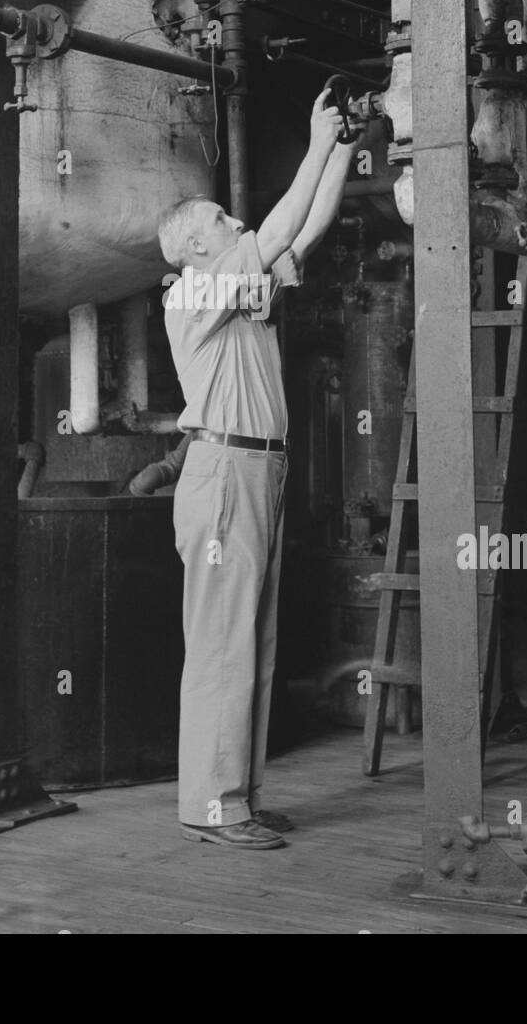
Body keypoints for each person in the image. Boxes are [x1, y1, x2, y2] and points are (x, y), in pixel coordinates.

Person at [157, 82, 358, 850]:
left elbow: (304, 231)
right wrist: (312, 141)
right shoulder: (193, 293)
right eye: (220, 219)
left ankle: (236, 796)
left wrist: (339, 148)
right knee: (221, 644)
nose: (234, 221)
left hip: (258, 475)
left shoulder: (240, 291)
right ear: (196, 246)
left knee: (256, 644)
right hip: (223, 477)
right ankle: (211, 805)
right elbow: (275, 230)